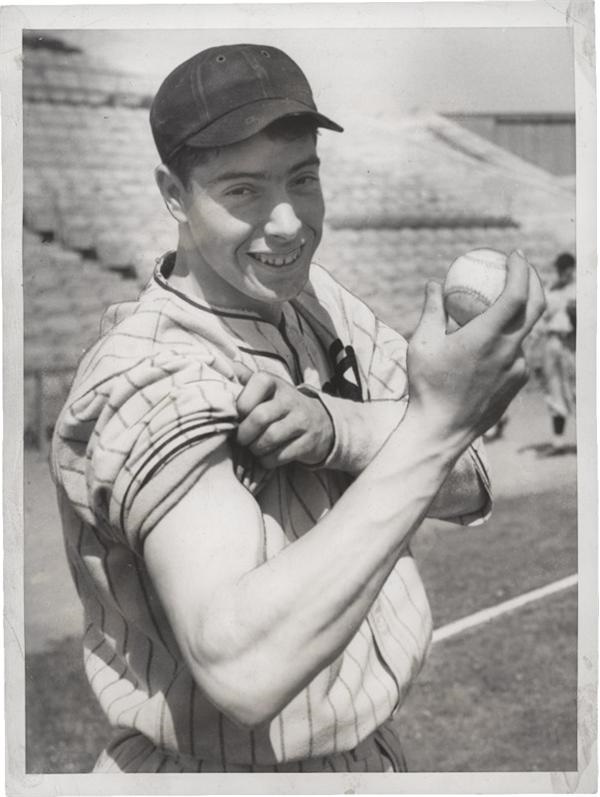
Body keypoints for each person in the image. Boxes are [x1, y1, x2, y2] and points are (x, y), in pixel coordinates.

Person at [51, 44, 545, 773]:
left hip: (367, 758)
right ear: (174, 194)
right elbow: (243, 667)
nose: (286, 223)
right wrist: (433, 422)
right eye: (242, 190)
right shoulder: (151, 372)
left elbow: (468, 478)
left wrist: (336, 427)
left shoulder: (318, 300)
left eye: (302, 178)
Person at [540, 252, 576, 453]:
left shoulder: (581, 288)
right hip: (553, 340)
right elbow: (542, 318)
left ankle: (591, 442)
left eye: (567, 268)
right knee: (554, 390)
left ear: (572, 268)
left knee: (579, 391)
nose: (563, 271)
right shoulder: (550, 291)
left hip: (573, 342)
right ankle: (558, 443)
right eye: (561, 268)